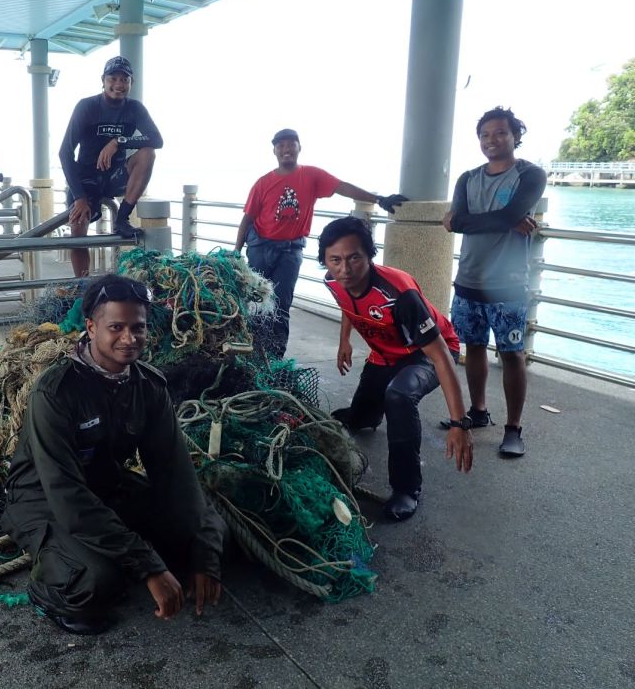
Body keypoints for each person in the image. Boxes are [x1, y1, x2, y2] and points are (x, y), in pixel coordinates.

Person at [1, 274, 225, 635]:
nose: (129, 338)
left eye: (138, 327)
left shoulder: (147, 386)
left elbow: (176, 475)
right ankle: (47, 587)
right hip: (43, 498)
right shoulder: (55, 392)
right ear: (90, 327)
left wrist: (205, 555)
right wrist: (149, 566)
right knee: (94, 582)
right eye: (116, 327)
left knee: (199, 524)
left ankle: (133, 552)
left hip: (105, 486)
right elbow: (67, 497)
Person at [319, 217, 473, 521]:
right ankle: (368, 413)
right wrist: (344, 341)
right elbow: (349, 304)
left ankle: (406, 489)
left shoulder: (399, 294)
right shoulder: (333, 279)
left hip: (424, 353)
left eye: (354, 259)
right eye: (335, 260)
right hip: (385, 354)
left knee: (399, 396)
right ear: (325, 259)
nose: (345, 270)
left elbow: (442, 355)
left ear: (370, 255)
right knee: (360, 417)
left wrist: (459, 424)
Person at [234, 128, 407, 359]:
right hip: (260, 248)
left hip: (290, 250)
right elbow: (248, 217)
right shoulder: (263, 183)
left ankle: (274, 360)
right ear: (274, 151)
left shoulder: (312, 176)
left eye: (290, 144)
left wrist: (379, 199)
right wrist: (236, 252)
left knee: (281, 304)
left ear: (299, 148)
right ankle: (251, 354)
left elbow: (343, 187)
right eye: (281, 145)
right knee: (255, 303)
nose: (286, 149)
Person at [442, 107, 547, 457]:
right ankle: (478, 411)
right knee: (472, 347)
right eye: (485, 134)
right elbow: (457, 222)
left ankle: (514, 428)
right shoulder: (468, 178)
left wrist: (497, 218)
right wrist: (504, 220)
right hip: (469, 278)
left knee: (512, 354)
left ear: (515, 135)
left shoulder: (530, 175)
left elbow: (466, 220)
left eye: (500, 133)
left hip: (509, 284)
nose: (492, 140)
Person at [59, 56, 164, 276]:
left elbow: (157, 140)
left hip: (115, 176)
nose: (118, 84)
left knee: (148, 154)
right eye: (113, 78)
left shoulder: (135, 109)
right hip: (86, 178)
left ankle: (122, 217)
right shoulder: (87, 106)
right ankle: (83, 284)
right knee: (78, 230)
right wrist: (78, 197)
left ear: (131, 83)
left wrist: (118, 142)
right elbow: (65, 153)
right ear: (103, 80)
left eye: (124, 79)